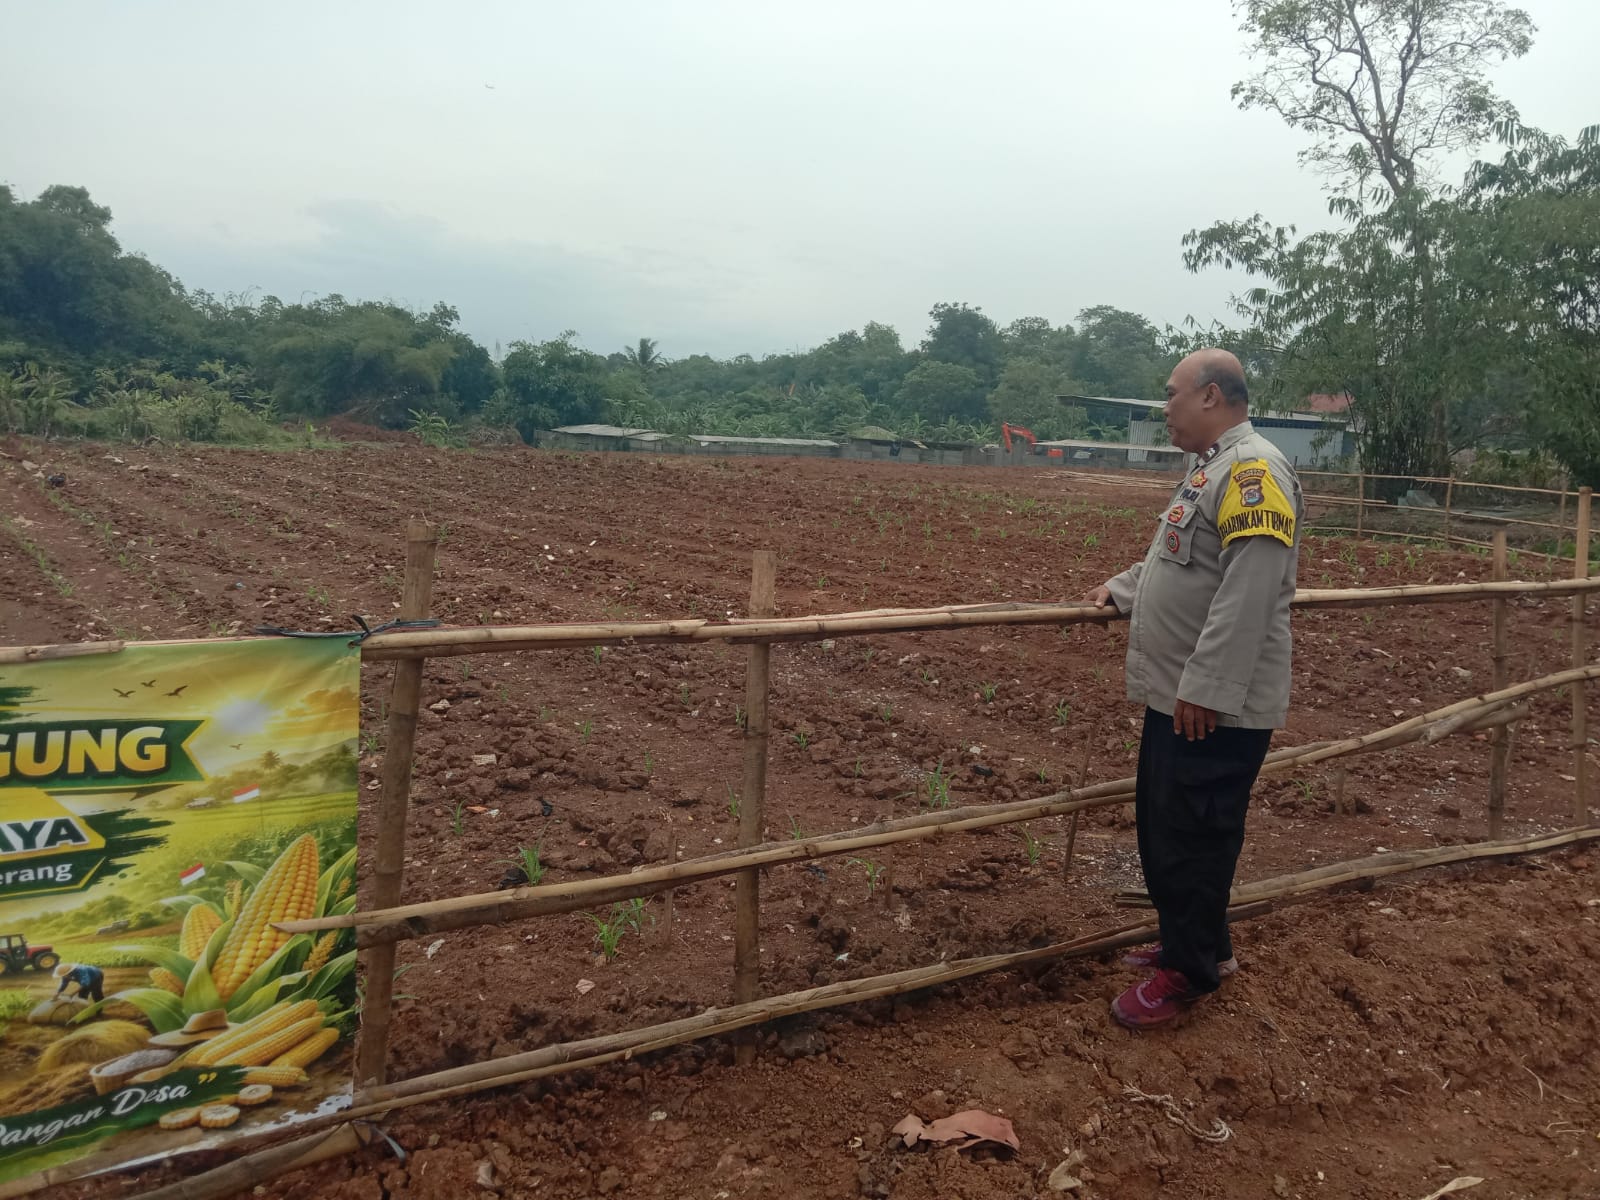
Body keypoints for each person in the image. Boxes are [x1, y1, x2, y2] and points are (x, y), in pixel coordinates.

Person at [1084, 348, 1303, 1030]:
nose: (1165, 407)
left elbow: (1249, 588)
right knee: (1168, 827)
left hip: (1212, 706)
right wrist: (1121, 591)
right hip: (1182, 695)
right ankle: (1199, 944)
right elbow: (1184, 557)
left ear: (1210, 396)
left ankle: (1190, 975)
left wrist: (1208, 687)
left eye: (1172, 394)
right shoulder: (1211, 470)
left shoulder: (1253, 471)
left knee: (1194, 835)